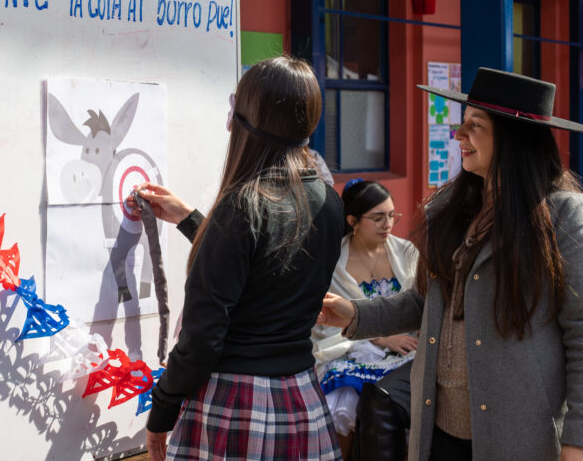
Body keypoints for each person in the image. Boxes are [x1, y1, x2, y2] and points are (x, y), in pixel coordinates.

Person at [320, 67, 583, 461]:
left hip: (519, 439)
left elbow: (580, 333)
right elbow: (426, 301)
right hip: (440, 433)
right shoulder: (453, 210)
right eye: (462, 123)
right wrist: (354, 314)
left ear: (513, 138)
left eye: (475, 126)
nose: (459, 135)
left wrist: (576, 441)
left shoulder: (562, 216)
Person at [133, 56, 345, 461]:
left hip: (237, 405)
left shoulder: (242, 205)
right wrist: (193, 220)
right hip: (301, 398)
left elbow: (202, 338)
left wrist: (162, 408)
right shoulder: (327, 201)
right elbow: (267, 271)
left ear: (248, 120)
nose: (230, 123)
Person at [312, 179, 417, 461]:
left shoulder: (407, 253)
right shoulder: (333, 260)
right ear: (352, 221)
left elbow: (421, 307)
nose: (388, 224)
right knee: (345, 391)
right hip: (348, 346)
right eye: (378, 217)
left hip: (405, 346)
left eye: (392, 215)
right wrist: (378, 337)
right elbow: (323, 323)